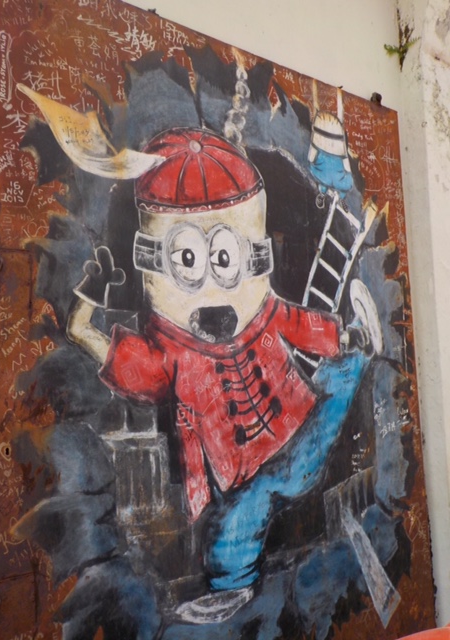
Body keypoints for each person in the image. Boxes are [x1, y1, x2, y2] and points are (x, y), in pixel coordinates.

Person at [67, 127, 382, 624]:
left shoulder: (266, 313)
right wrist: (84, 308)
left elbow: (304, 326)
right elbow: (103, 347)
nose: (214, 287)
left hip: (301, 434)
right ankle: (231, 586)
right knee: (235, 524)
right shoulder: (171, 353)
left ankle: (363, 349)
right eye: (187, 260)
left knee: (335, 387)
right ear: (155, 263)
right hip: (245, 478)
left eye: (225, 259)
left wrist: (346, 339)